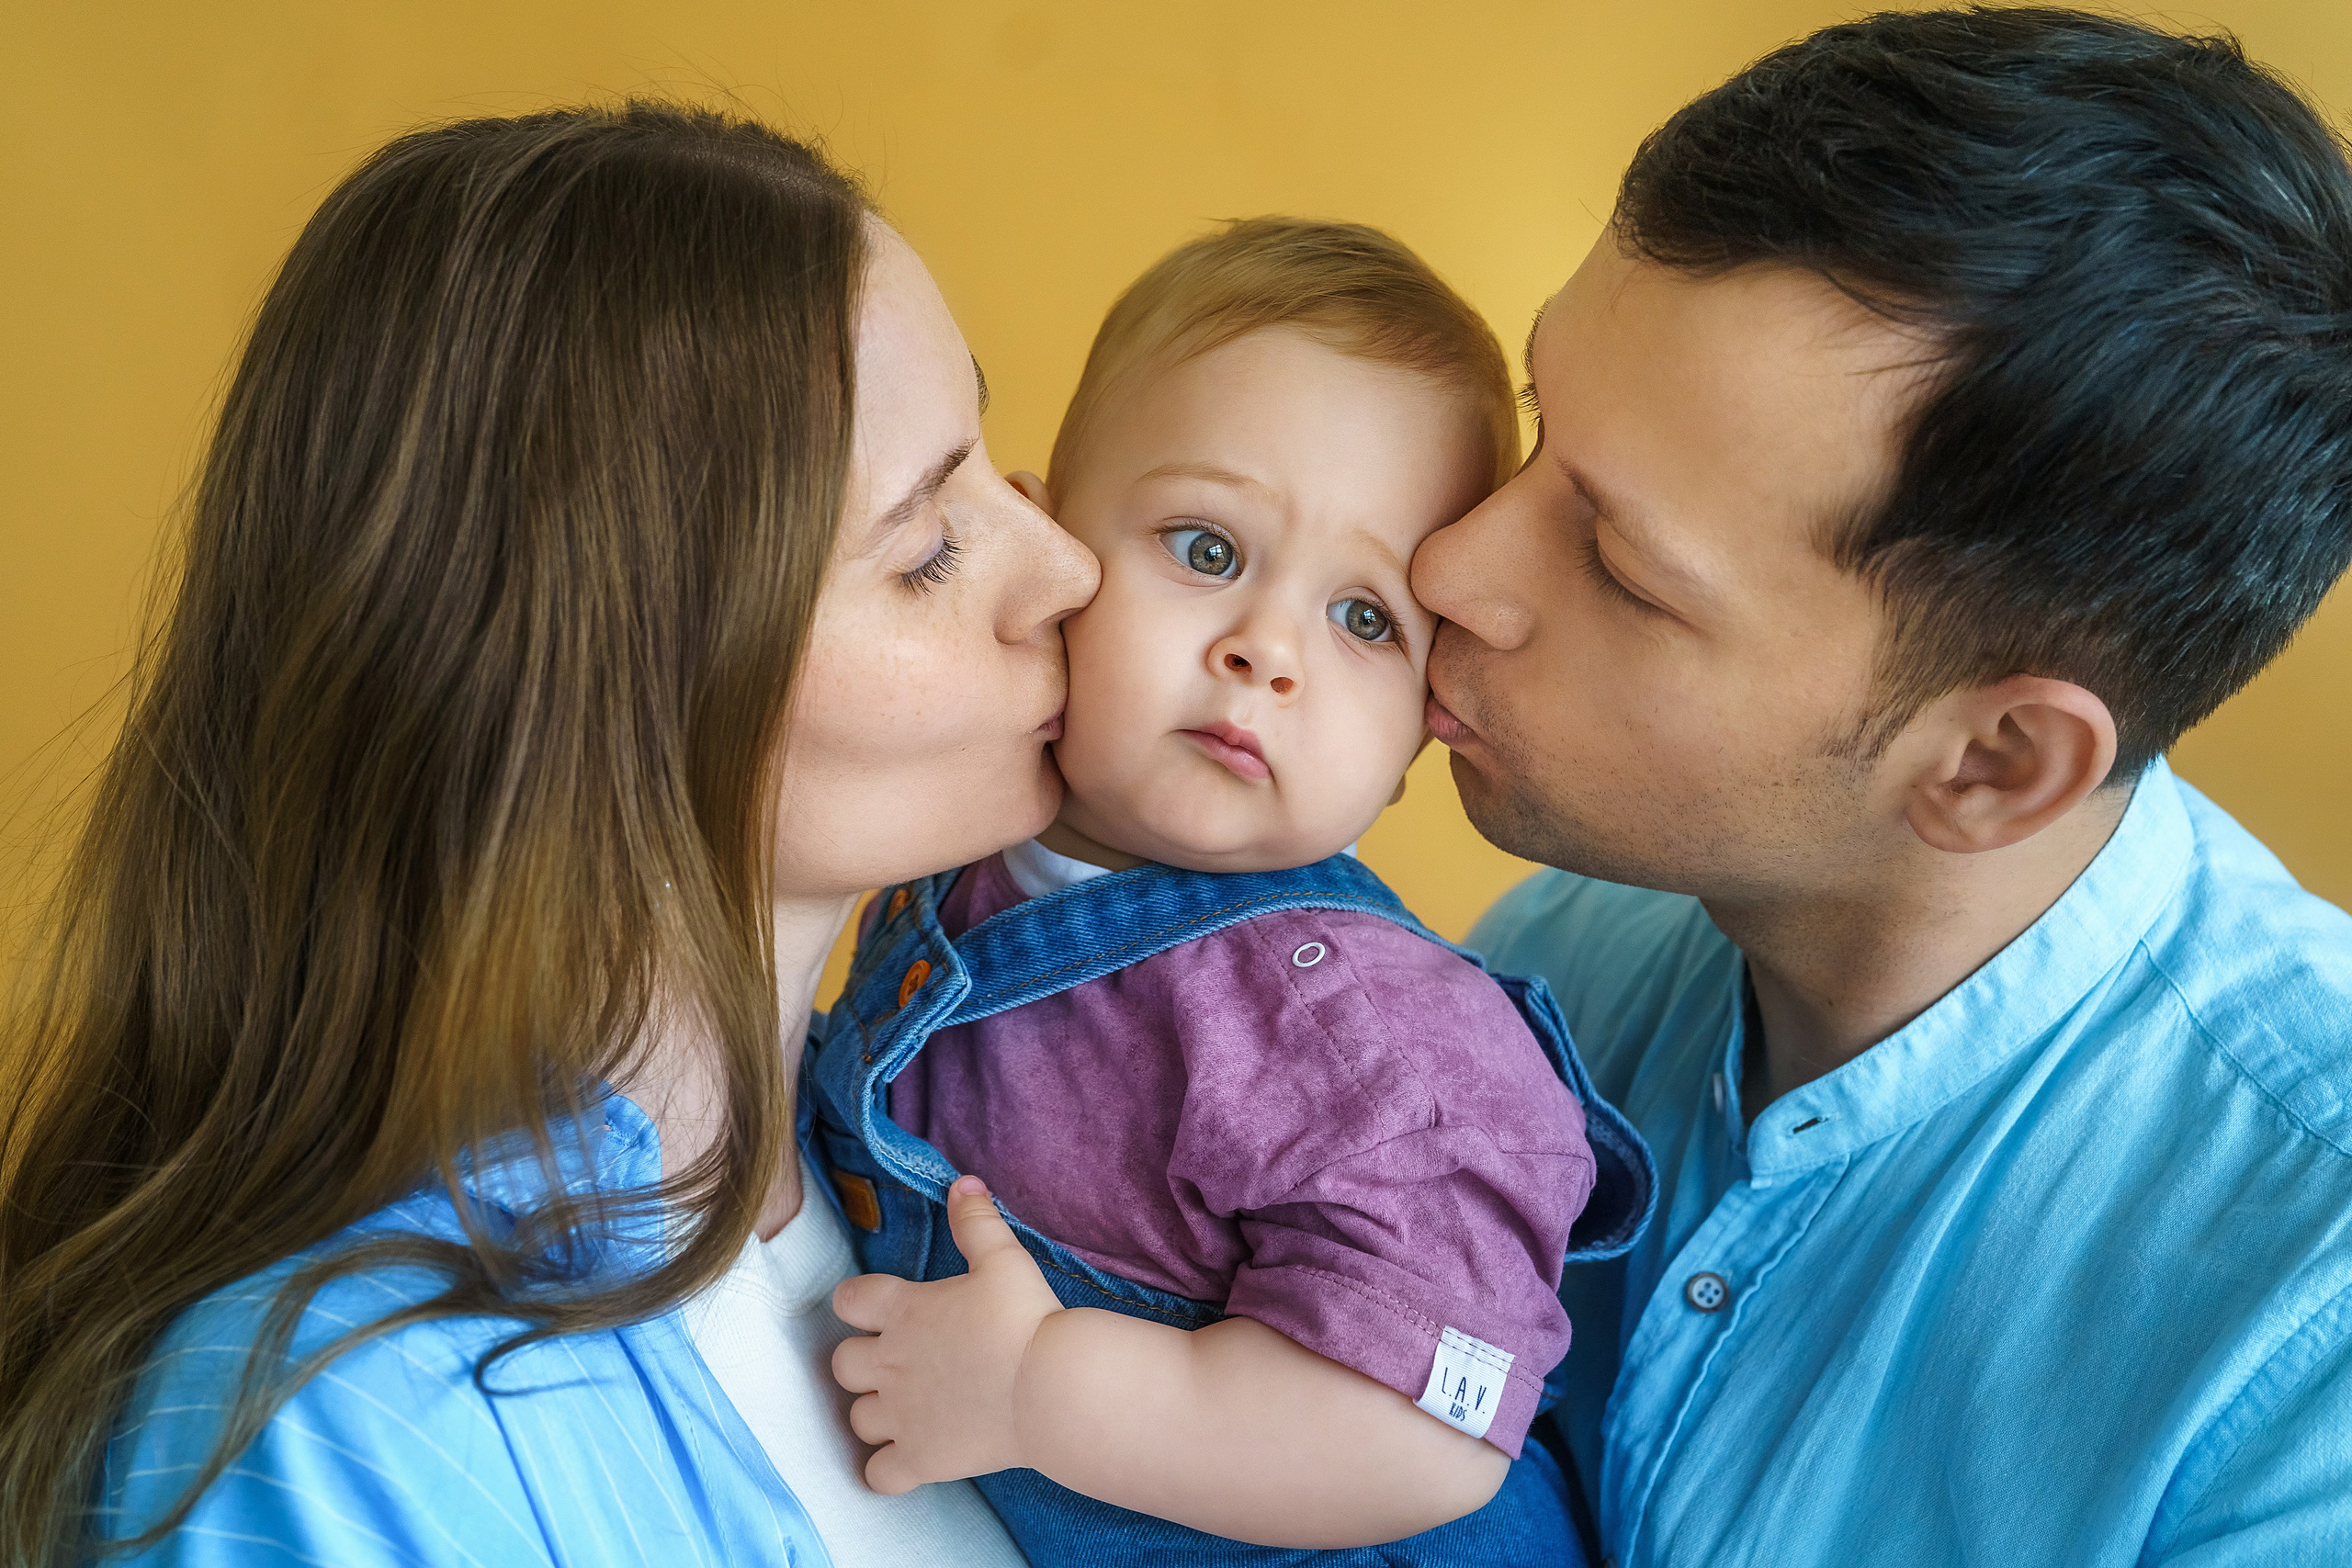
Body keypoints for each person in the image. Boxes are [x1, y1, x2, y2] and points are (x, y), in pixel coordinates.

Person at [0, 101, 1095, 1567]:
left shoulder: (994, 1204)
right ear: (606, 698)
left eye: (987, 461)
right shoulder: (335, 1449)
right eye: (929, 548)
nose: (1071, 565)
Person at [1408, 9, 2352, 1565]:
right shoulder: (1548, 964)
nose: (1450, 567)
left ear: (1993, 765)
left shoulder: (2311, 1341)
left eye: (1623, 570)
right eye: (1534, 420)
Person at [807, 219, 1654, 1565]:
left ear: (1417, 735)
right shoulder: (937, 844)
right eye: (1207, 549)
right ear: (1045, 549)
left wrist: (1041, 1392)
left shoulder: (1381, 1044)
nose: (1267, 651)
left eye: (1365, 619)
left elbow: (1424, 1434)